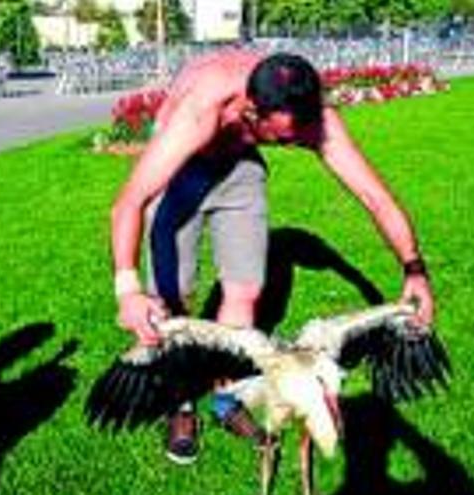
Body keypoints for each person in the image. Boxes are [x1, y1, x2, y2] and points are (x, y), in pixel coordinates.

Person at [109, 50, 435, 464]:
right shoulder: (205, 105)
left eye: (300, 134)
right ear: (249, 110)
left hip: (239, 164)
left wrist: (414, 269)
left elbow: (374, 195)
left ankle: (226, 398)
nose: (297, 142)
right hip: (181, 169)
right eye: (284, 138)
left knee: (245, 291)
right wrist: (128, 289)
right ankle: (180, 404)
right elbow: (129, 202)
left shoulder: (310, 116)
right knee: (173, 300)